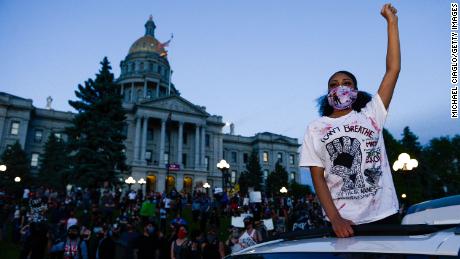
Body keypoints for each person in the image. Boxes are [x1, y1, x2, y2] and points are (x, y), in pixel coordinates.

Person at [299, 4, 401, 238]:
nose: (340, 88)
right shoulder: (315, 128)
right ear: (327, 93)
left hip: (383, 215)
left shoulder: (371, 114)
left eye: (346, 83)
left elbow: (392, 70)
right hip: (343, 222)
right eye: (333, 85)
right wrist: (334, 217)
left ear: (355, 90)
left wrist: (391, 23)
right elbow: (318, 177)